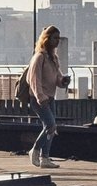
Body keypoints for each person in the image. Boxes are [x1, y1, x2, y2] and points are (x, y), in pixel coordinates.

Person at [22, 26, 65, 167]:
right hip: (39, 98)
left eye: (58, 38)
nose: (57, 41)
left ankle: (45, 158)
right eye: (54, 38)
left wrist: (63, 81)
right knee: (50, 125)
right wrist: (40, 97)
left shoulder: (53, 58)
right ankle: (35, 149)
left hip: (50, 97)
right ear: (47, 39)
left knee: (51, 128)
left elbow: (57, 77)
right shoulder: (39, 57)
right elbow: (33, 80)